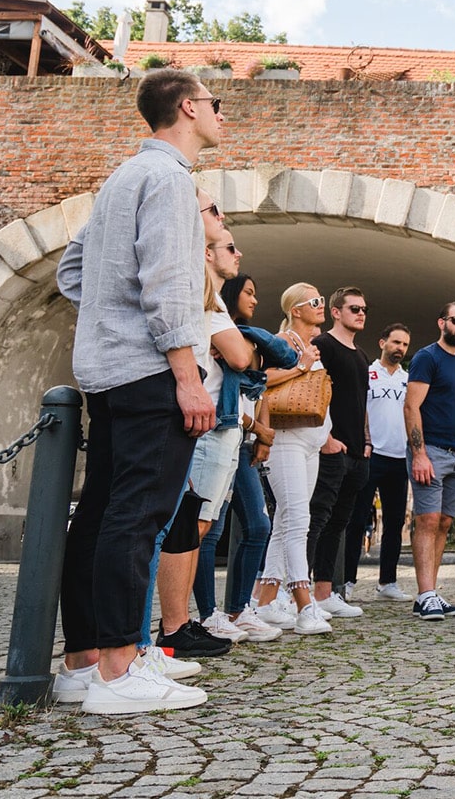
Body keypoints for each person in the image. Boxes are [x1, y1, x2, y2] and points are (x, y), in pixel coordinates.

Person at [52, 69, 220, 714]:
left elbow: (74, 269)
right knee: (137, 516)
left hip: (109, 370)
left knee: (99, 513)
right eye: (213, 103)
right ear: (186, 107)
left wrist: (108, 314)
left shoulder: (122, 177)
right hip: (153, 372)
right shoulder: (174, 180)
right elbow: (170, 282)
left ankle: (84, 661)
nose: (219, 114)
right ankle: (120, 673)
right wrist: (187, 376)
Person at [152, 219, 252, 658]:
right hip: (204, 421)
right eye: (230, 247)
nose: (239, 254)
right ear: (208, 254)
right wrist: (244, 347)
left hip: (210, 421)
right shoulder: (203, 299)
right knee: (188, 523)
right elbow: (241, 356)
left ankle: (179, 623)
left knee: (199, 521)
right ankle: (172, 626)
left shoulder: (213, 303)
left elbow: (242, 355)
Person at [194, 272, 295, 643]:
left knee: (257, 525)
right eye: (248, 293)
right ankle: (207, 614)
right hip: (221, 432)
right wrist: (257, 427)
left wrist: (262, 434)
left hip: (242, 439)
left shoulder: (244, 339)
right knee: (210, 529)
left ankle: (238, 609)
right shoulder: (218, 334)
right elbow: (223, 393)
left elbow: (260, 389)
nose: (254, 299)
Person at [250, 283, 335, 636]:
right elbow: (261, 380)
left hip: (309, 441)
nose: (321, 305)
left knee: (287, 521)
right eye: (314, 301)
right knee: (298, 519)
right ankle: (304, 602)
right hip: (286, 441)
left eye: (322, 299)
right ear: (295, 310)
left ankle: (266, 601)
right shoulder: (282, 342)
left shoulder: (310, 345)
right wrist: (301, 367)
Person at [406, 301, 455, 621]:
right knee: (428, 520)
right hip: (431, 451)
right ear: (442, 323)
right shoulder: (426, 357)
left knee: (446, 523)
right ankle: (425, 595)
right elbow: (411, 407)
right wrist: (419, 454)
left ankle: (431, 592)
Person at [307, 287, 371, 619]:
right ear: (336, 312)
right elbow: (314, 392)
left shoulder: (361, 355)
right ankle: (298, 596)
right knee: (317, 519)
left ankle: (324, 593)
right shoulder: (323, 346)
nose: (361, 313)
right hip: (331, 448)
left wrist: (366, 441)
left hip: (358, 452)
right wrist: (327, 438)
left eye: (364, 309)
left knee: (339, 524)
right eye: (354, 308)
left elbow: (362, 406)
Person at [345, 323, 412, 602]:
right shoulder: (368, 373)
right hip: (371, 454)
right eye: (395, 342)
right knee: (356, 519)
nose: (400, 348)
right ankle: (346, 580)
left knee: (395, 522)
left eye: (405, 345)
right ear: (382, 342)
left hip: (399, 457)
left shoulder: (408, 380)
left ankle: (388, 582)